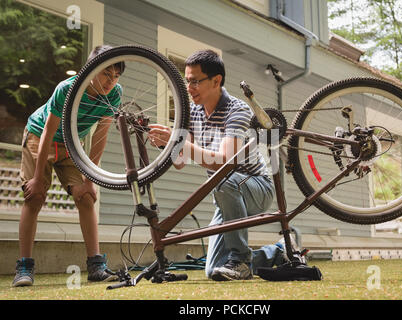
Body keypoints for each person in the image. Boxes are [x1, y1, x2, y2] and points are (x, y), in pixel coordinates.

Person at [148, 49, 299, 281]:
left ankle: (240, 261)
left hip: (256, 187)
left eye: (196, 81)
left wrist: (175, 140)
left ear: (216, 80)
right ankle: (278, 252)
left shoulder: (236, 110)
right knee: (214, 269)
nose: (189, 88)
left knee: (221, 179)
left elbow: (225, 162)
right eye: (187, 81)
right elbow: (179, 161)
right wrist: (165, 144)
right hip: (225, 192)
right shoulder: (192, 112)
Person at [12, 45, 124, 287]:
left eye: (116, 76)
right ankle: (24, 267)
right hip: (39, 135)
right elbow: (48, 132)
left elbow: (100, 137)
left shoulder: (114, 95)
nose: (111, 81)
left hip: (71, 142)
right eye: (106, 74)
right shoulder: (67, 89)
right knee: (35, 195)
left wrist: (89, 179)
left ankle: (96, 265)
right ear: (91, 69)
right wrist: (37, 179)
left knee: (86, 197)